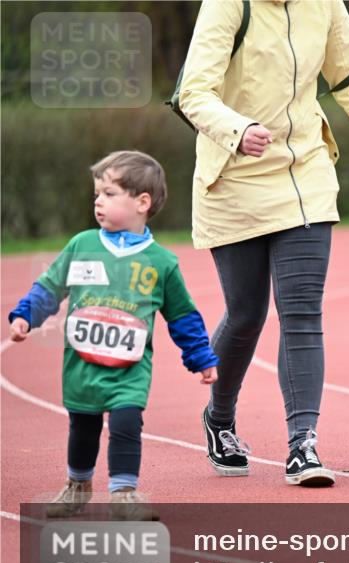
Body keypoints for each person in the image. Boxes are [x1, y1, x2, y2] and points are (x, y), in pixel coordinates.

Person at [178, 0, 349, 485]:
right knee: (246, 314)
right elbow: (193, 93)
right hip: (234, 175)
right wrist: (237, 130)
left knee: (302, 311)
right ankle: (219, 419)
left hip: (305, 172)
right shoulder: (226, 4)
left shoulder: (324, 4)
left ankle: (302, 445)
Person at [7, 151, 219, 519]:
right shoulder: (82, 245)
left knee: (125, 423)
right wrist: (27, 315)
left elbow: (182, 315)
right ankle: (78, 484)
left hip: (130, 369)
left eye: (108, 193)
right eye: (96, 195)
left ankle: (124, 492)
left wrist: (200, 357)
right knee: (84, 425)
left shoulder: (162, 262)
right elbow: (50, 286)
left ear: (142, 202)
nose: (98, 202)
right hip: (82, 364)